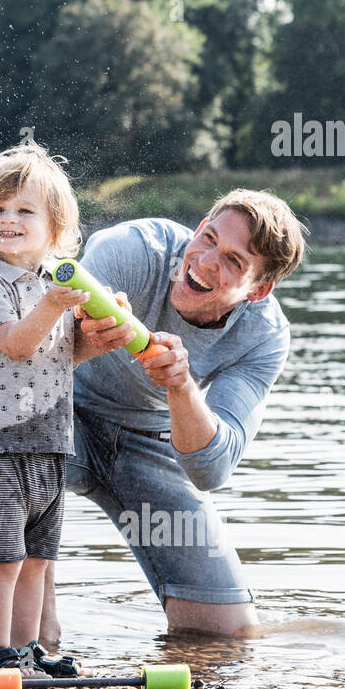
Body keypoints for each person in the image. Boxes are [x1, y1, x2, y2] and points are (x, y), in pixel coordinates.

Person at [42, 190, 306, 645]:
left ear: (258, 290)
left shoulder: (264, 336)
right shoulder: (133, 249)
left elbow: (211, 468)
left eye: (233, 262)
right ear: (199, 224)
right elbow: (22, 362)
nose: (205, 263)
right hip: (61, 414)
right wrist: (85, 337)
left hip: (149, 441)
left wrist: (181, 387)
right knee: (22, 439)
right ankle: (36, 637)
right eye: (207, 238)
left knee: (227, 634)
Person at [0, 141, 108, 674]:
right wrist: (53, 306)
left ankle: (30, 653)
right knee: (5, 560)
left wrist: (101, 337)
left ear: (56, 231)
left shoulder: (52, 284)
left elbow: (62, 353)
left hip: (49, 444)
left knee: (39, 562)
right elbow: (19, 344)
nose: (8, 220)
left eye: (24, 211)